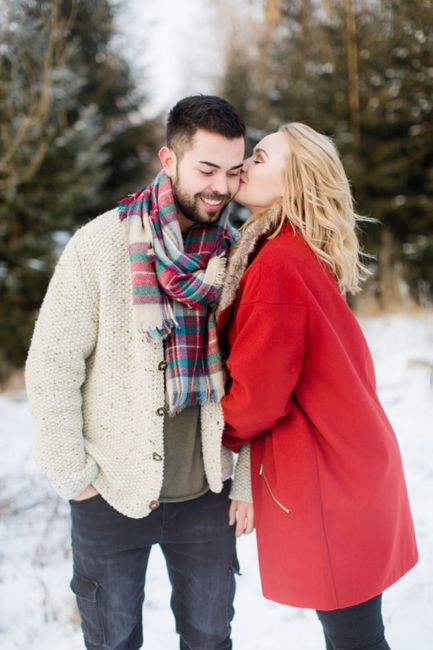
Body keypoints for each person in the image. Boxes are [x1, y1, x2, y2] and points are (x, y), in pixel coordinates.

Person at [25, 95, 254, 650]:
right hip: (110, 490)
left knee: (208, 638)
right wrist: (73, 475)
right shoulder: (101, 245)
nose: (221, 187)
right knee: (112, 640)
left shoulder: (241, 254)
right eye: (206, 169)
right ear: (169, 160)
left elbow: (258, 378)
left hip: (207, 491)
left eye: (234, 171)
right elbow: (53, 361)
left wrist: (244, 477)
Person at [217, 122, 418, 650]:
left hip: (329, 477)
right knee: (355, 636)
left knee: (354, 640)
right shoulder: (294, 248)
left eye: (259, 159)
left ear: (293, 182)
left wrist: (210, 437)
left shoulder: (278, 263)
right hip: (348, 464)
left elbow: (258, 397)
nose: (245, 166)